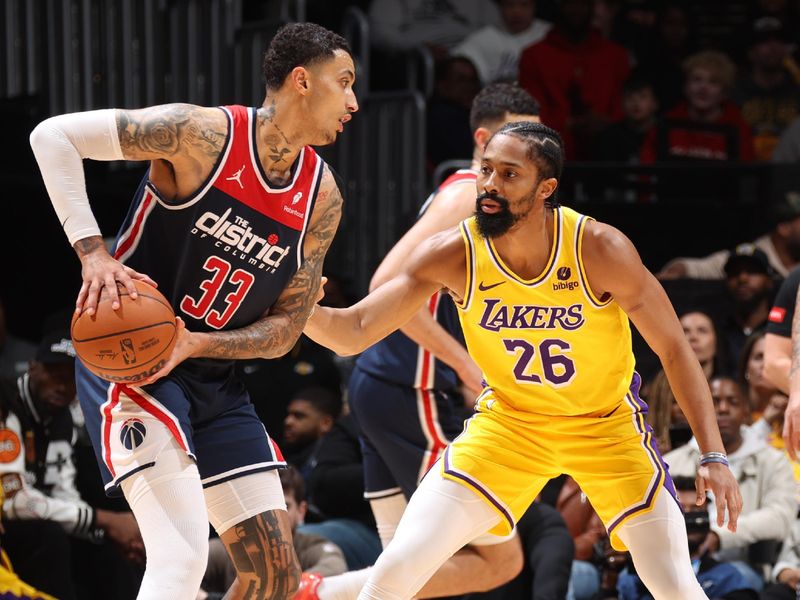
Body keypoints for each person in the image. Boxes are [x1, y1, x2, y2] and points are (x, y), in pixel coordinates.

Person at [303, 121, 741, 600]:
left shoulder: (599, 248)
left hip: (605, 427)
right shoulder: (456, 251)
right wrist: (298, 305)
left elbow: (675, 348)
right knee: (398, 567)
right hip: (510, 427)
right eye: (487, 170)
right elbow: (353, 331)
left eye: (509, 175)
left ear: (546, 188)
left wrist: (713, 454)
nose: (490, 185)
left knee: (672, 582)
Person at [29, 22, 358, 600]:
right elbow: (52, 136)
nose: (354, 102)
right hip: (135, 365)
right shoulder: (202, 134)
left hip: (214, 377)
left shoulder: (322, 196)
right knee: (179, 560)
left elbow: (284, 331)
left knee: (274, 577)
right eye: (345, 82)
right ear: (302, 81)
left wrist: (199, 344)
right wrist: (92, 253)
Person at [297, 82, 541, 600]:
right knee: (500, 560)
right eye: (514, 137)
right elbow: (385, 283)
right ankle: (313, 594)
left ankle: (312, 593)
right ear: (483, 137)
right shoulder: (466, 194)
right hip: (413, 386)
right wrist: (465, 365)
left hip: (383, 384)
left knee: (407, 567)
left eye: (533, 140)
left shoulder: (482, 198)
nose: (524, 151)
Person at [0, 331, 143, 599]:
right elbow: (14, 503)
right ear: (33, 366)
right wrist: (105, 519)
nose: (63, 385)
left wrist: (105, 529)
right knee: (49, 536)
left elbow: (65, 493)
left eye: (71, 377)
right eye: (54, 373)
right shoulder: (7, 404)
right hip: (10, 527)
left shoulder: (62, 419)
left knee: (105, 547)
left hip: (41, 521)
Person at [664, 376, 796, 591]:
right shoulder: (672, 463)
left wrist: (719, 535)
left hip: (743, 563)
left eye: (732, 402)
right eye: (714, 402)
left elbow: (780, 516)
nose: (723, 409)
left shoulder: (773, 461)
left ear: (746, 412)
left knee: (735, 577)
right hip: (678, 562)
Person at [203, 467, 348, 596]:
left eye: (284, 506)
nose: (273, 516)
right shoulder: (223, 550)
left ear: (301, 511)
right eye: (263, 507)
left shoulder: (313, 546)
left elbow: (336, 569)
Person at [616, 476, 758, 600]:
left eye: (696, 510)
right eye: (681, 509)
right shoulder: (635, 576)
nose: (690, 518)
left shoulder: (727, 576)